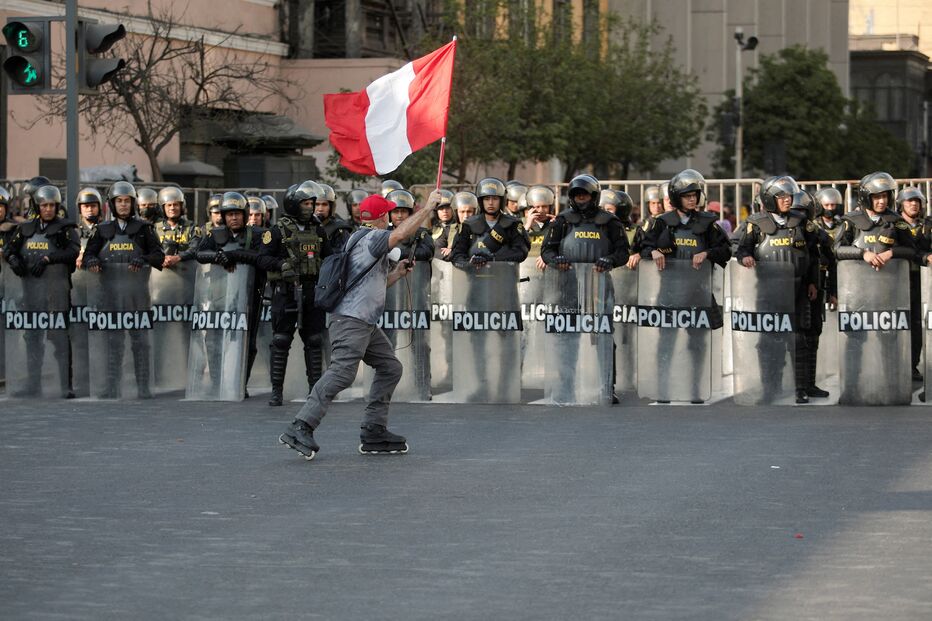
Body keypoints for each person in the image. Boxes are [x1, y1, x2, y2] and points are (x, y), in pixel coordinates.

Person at [279, 191, 443, 460]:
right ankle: (301, 425)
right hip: (352, 321)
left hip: (362, 321)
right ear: (382, 216)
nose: (393, 217)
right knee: (342, 373)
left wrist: (397, 274)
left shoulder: (362, 238)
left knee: (390, 367)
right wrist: (426, 210)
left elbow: (370, 284)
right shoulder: (373, 237)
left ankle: (374, 431)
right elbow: (401, 235)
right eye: (389, 213)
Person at [639, 169, 731, 403]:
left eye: (695, 194)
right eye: (686, 195)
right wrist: (653, 251)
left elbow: (726, 251)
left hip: (697, 293)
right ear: (676, 197)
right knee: (666, 342)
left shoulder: (709, 223)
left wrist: (708, 252)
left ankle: (695, 388)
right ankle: (663, 389)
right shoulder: (661, 223)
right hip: (669, 292)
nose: (692, 198)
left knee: (697, 343)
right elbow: (642, 248)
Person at [540, 175, 630, 404]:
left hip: (599, 284)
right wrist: (556, 260)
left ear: (594, 196)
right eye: (577, 195)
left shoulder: (610, 221)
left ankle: (607, 387)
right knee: (567, 338)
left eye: (585, 194)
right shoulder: (562, 220)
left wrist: (610, 260)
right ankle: (566, 386)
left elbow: (623, 252)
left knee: (603, 336)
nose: (581, 199)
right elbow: (546, 251)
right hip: (567, 285)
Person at [736, 175, 821, 404]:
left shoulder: (802, 221)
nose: (787, 200)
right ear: (770, 199)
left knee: (799, 339)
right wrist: (744, 258)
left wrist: (814, 282)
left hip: (799, 288)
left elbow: (814, 255)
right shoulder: (755, 223)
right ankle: (770, 387)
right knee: (768, 341)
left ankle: (800, 388)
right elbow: (741, 249)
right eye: (781, 196)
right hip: (768, 290)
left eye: (789, 196)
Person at [82, 181, 165, 399]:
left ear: (133, 203)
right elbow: (89, 254)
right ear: (112, 203)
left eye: (127, 201)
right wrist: (92, 262)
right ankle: (112, 386)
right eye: (119, 201)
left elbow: (159, 256)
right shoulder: (101, 230)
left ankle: (143, 387)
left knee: (140, 343)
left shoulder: (144, 229)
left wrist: (143, 258)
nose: (123, 205)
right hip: (109, 296)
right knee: (114, 343)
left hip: (137, 297)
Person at [256, 180, 333, 407]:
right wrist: (281, 266)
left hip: (312, 291)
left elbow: (329, 256)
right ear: (293, 205)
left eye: (312, 203)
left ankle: (315, 389)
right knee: (280, 340)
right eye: (306, 203)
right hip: (286, 291)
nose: (311, 207)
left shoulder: (318, 230)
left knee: (314, 340)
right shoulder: (277, 231)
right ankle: (277, 391)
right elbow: (262, 258)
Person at [2, 185, 79, 397]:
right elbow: (10, 249)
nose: (48, 209)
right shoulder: (26, 229)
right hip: (31, 292)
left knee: (59, 338)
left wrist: (48, 259)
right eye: (44, 205)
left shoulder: (65, 228)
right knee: (33, 338)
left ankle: (66, 386)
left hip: (57, 292)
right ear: (37, 206)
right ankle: (33, 384)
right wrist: (14, 259)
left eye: (52, 205)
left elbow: (73, 251)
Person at [196, 192, 266, 393]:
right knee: (213, 340)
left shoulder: (258, 234)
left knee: (247, 341)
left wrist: (234, 255)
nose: (233, 218)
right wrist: (219, 257)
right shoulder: (214, 234)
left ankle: (239, 384)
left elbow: (261, 257)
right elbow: (200, 254)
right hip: (219, 295)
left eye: (237, 213)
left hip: (249, 296)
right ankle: (218, 382)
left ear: (244, 214)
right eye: (229, 214)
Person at [450, 177, 530, 267]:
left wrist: (493, 258)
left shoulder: (513, 224)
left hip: (505, 277)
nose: (491, 203)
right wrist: (471, 263)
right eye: (487, 199)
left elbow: (521, 252)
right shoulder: (469, 225)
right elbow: (457, 255)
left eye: (495, 199)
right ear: (481, 201)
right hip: (475, 277)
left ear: (501, 200)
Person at [895, 186, 930, 381]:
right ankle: (896, 364)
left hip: (920, 281)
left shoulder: (927, 226)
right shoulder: (893, 224)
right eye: (909, 201)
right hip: (897, 280)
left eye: (917, 201)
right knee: (896, 324)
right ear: (901, 204)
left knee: (918, 325)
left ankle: (912, 366)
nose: (914, 204)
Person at [387, 190, 435, 262]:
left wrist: (401, 253)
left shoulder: (421, 233)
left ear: (410, 214)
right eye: (395, 211)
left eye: (403, 211)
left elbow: (428, 252)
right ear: (389, 215)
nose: (400, 215)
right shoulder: (384, 233)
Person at [315, 183, 354, 250]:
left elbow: (342, 256)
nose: (320, 209)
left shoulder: (339, 230)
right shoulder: (305, 227)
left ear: (331, 207)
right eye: (317, 204)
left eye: (324, 205)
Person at [430, 190, 457, 259]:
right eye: (441, 208)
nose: (445, 211)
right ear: (436, 212)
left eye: (448, 207)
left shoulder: (460, 228)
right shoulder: (433, 229)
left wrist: (452, 251)